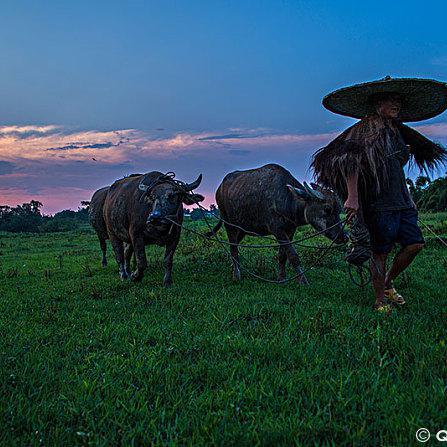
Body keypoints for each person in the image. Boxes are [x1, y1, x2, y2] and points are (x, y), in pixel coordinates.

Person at [312, 76, 447, 312]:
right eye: (390, 100)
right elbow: (349, 161)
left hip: (401, 202)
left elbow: (396, 169)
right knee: (380, 252)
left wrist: (409, 197)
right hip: (379, 203)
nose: (396, 104)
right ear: (377, 105)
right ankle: (379, 301)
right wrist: (352, 196)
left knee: (415, 244)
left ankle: (387, 282)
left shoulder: (398, 132)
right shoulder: (364, 131)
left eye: (398, 100)